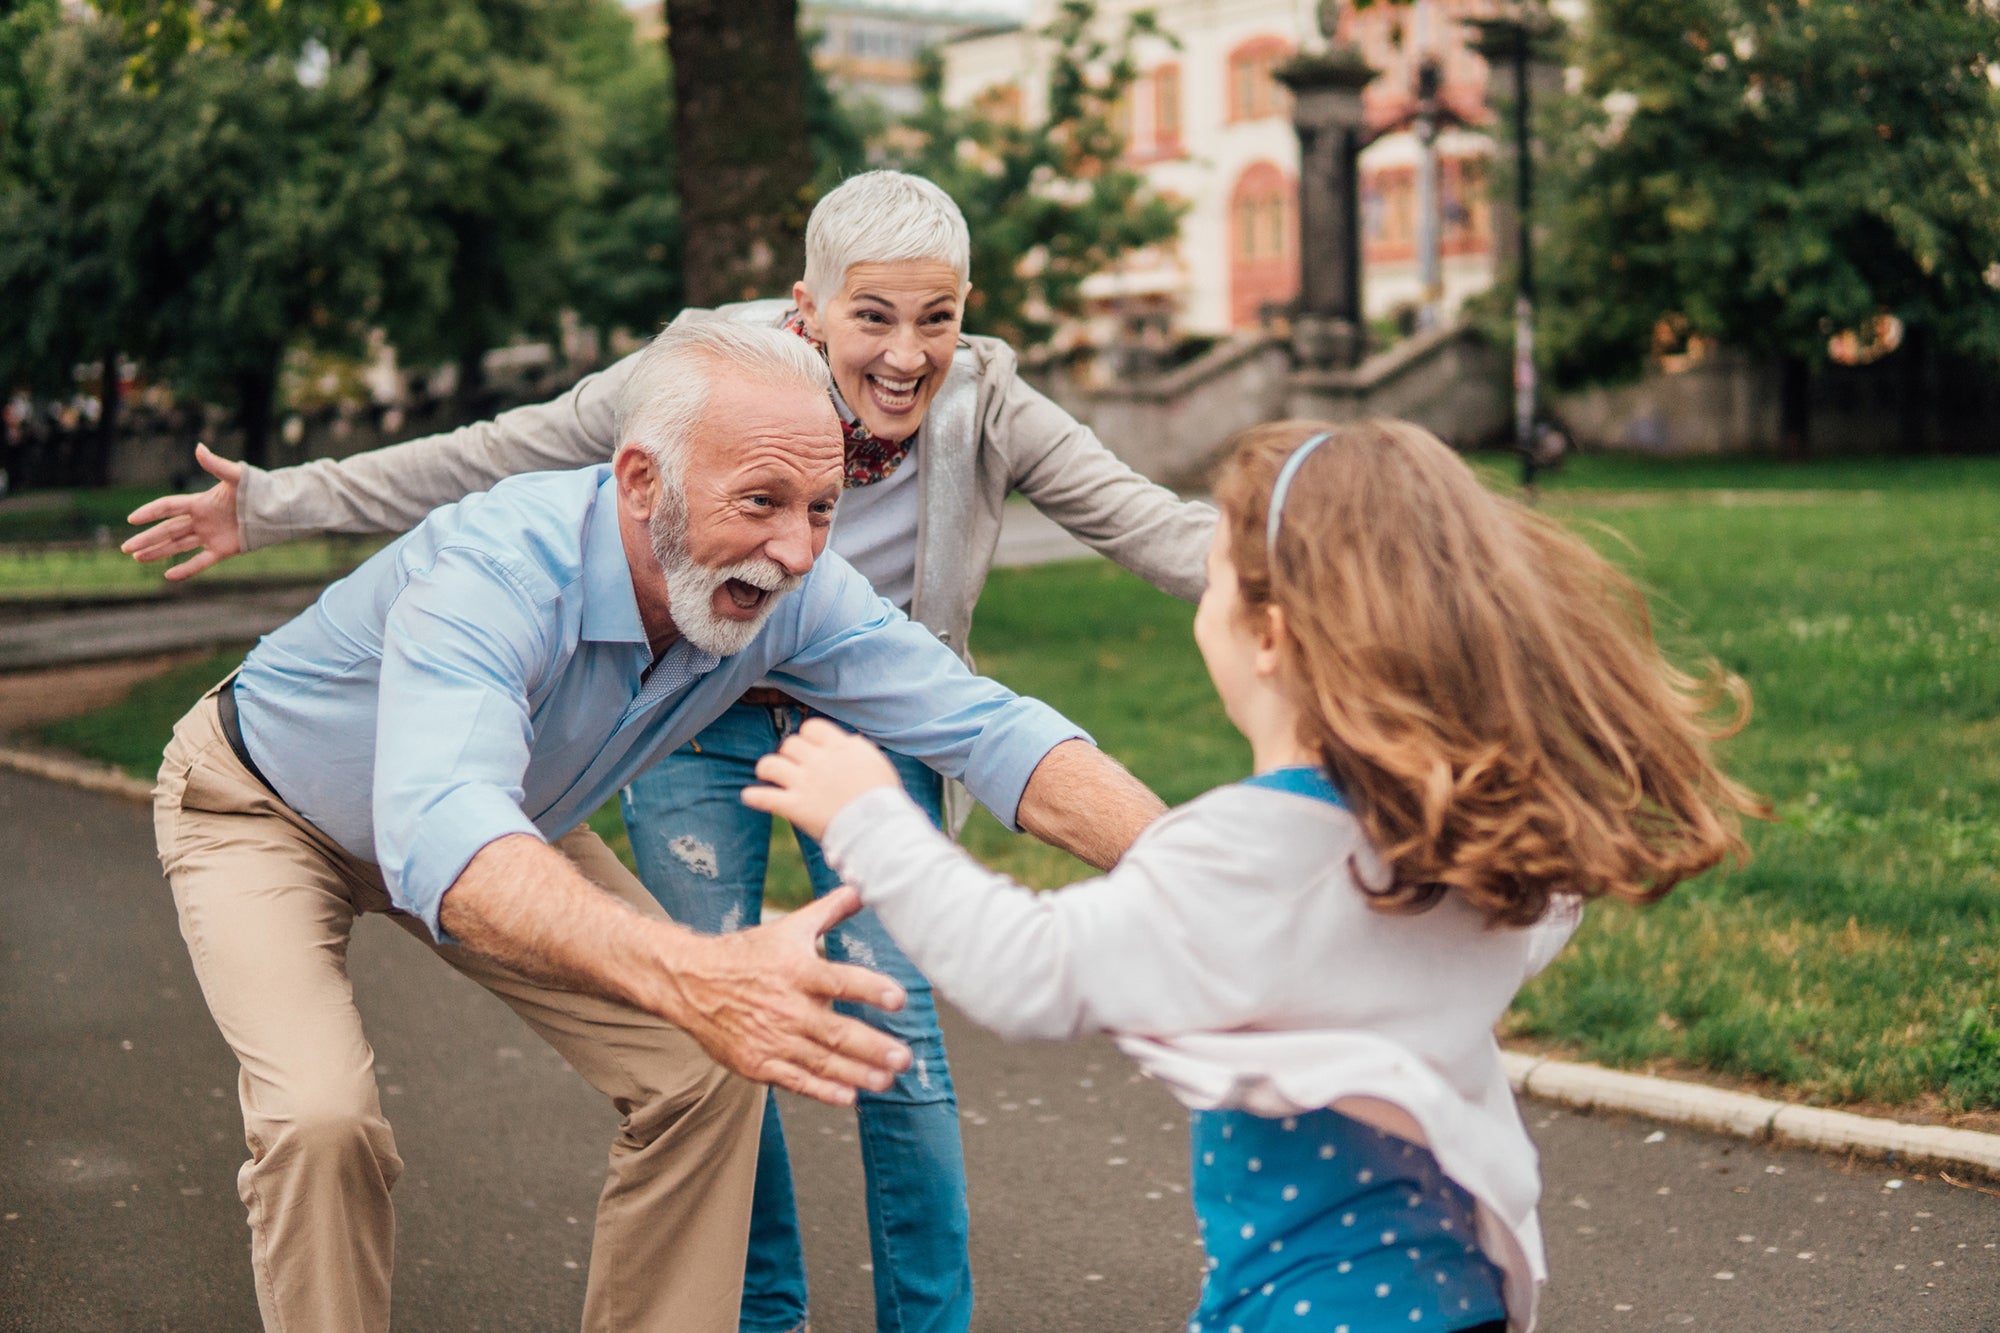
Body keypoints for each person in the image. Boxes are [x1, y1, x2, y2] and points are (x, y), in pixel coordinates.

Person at [123, 170, 1215, 1333]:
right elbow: (444, 830)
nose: (795, 552)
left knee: (704, 1071)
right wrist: (695, 972)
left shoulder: (801, 580)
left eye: (823, 509)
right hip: (266, 807)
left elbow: (989, 727)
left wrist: (1191, 870)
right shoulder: (496, 570)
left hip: (510, 820)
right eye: (757, 504)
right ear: (641, 482)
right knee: (321, 1118)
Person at [743, 419, 1766, 1333]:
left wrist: (871, 817)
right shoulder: (1478, 843)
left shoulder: (1241, 854)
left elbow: (1025, 969)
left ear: (1268, 634)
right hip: (1462, 1300)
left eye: (1214, 572)